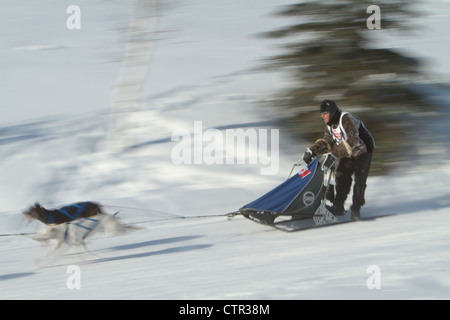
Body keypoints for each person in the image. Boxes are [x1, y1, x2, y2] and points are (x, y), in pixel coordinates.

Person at [303, 100, 375, 220]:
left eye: (324, 113)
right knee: (341, 174)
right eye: (321, 113)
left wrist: (335, 153)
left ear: (332, 112)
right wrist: (312, 151)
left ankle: (356, 208)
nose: (322, 115)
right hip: (349, 151)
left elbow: (353, 140)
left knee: (359, 179)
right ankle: (339, 206)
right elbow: (327, 142)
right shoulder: (330, 125)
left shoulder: (346, 119)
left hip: (364, 150)